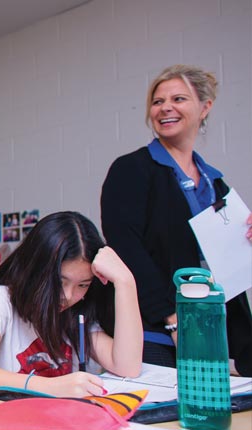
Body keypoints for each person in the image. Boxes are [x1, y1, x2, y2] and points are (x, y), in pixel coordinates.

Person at [101, 64, 252, 375]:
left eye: (179, 99)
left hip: (219, 335)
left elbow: (227, 265)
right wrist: (172, 321)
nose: (166, 107)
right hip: (158, 333)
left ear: (205, 107)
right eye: (158, 102)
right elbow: (127, 250)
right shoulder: (132, 170)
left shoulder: (216, 184)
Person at [0, 212, 142, 397]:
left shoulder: (76, 315)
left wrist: (125, 281)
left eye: (83, 285)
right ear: (35, 269)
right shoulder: (0, 300)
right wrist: (50, 387)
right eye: (60, 281)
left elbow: (127, 366)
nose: (68, 296)